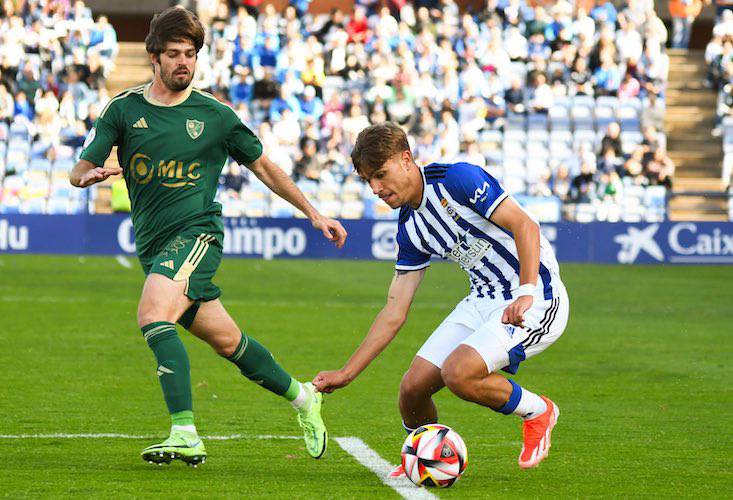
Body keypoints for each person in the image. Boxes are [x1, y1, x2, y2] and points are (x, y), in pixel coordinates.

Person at [69, 7, 346, 467]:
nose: (184, 62)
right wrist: (87, 177)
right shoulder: (123, 110)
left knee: (153, 313)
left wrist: (313, 212)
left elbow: (264, 167)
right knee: (230, 343)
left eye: (191, 54)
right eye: (175, 53)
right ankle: (303, 399)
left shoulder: (215, 116)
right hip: (154, 245)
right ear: (153, 57)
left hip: (197, 235)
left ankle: (185, 432)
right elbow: (79, 168)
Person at [313, 122, 569, 471]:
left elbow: (526, 226)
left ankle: (539, 411)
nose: (375, 188)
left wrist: (525, 293)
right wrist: (347, 372)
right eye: (368, 180)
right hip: (483, 298)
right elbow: (394, 310)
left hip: (537, 296)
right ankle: (422, 455)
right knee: (412, 390)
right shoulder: (409, 229)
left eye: (381, 175)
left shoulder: (458, 180)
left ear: (406, 159)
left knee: (459, 373)